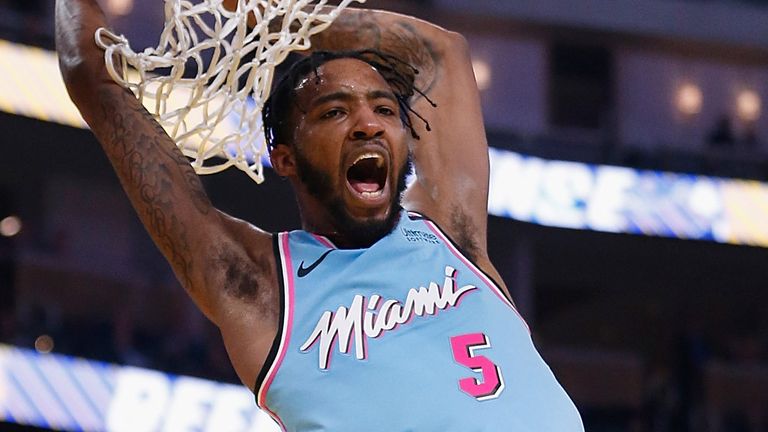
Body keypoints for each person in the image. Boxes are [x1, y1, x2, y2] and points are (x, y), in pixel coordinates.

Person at [56, 0, 584, 429]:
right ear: (284, 156)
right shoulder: (261, 288)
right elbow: (90, 74)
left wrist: (274, 18)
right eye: (334, 111)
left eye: (384, 109)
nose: (367, 124)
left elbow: (440, 53)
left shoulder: (451, 232)